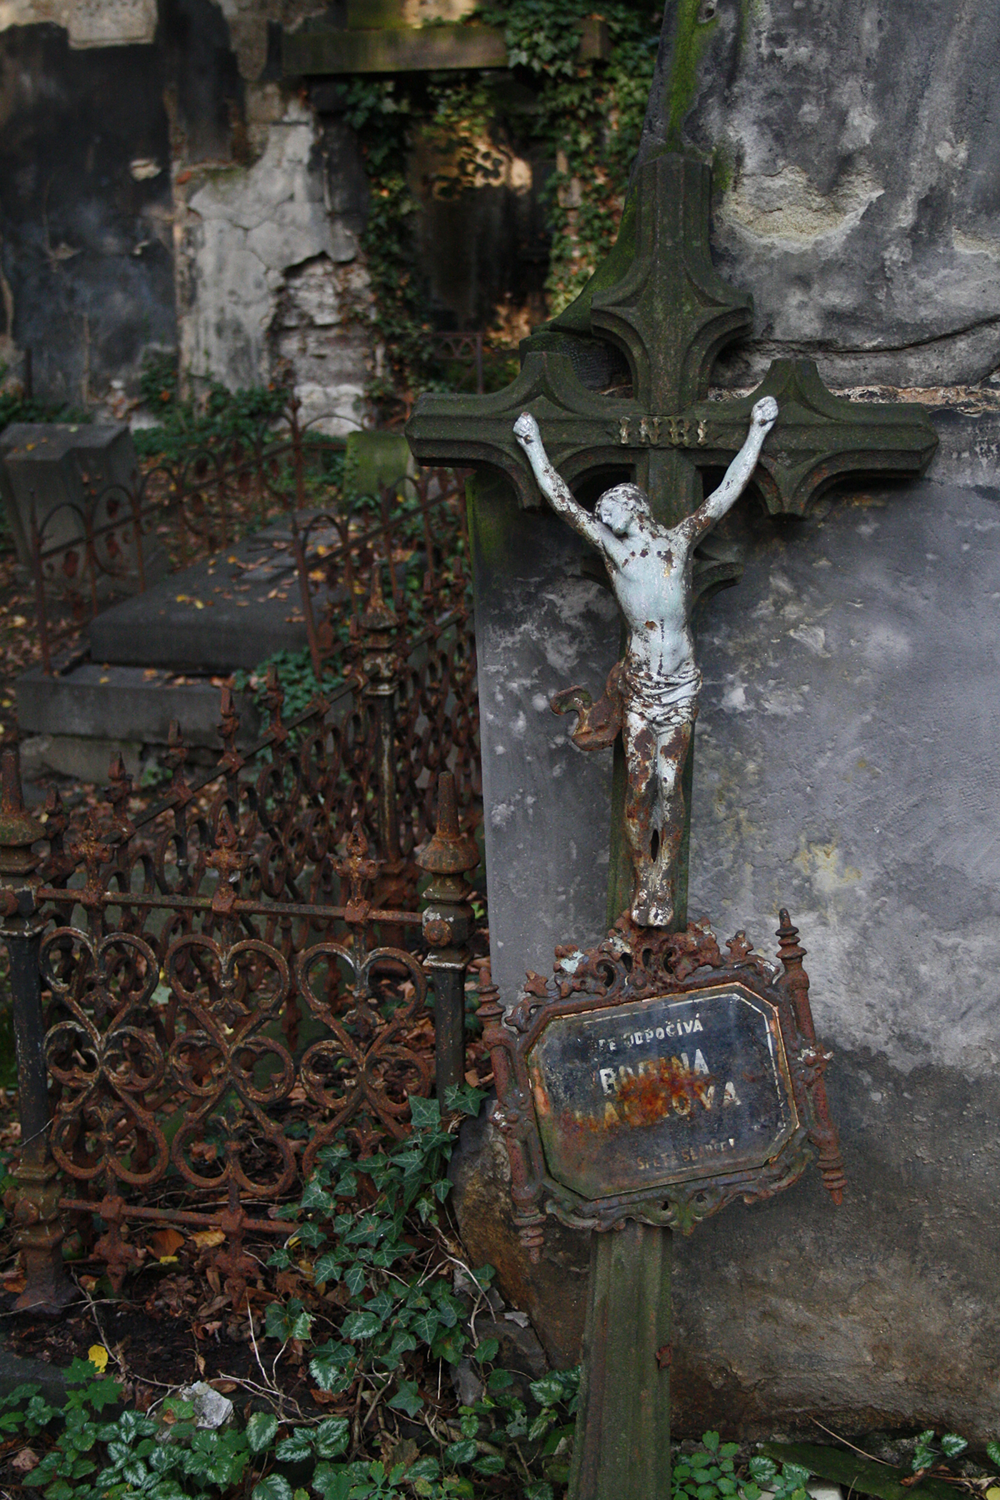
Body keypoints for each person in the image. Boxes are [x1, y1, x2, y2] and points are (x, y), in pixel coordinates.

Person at [513, 396, 778, 927]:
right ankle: (643, 879)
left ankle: (664, 877)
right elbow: (563, 501)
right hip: (640, 686)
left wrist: (757, 431)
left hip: (680, 687)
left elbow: (727, 491)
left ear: (632, 507)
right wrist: (532, 444)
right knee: (638, 787)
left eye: (609, 507)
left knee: (669, 786)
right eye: (601, 512)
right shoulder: (615, 552)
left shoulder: (678, 542)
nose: (601, 516)